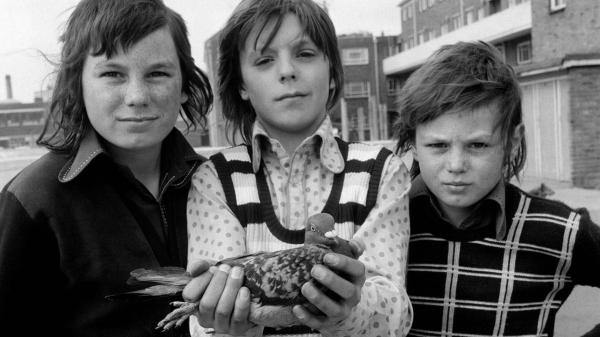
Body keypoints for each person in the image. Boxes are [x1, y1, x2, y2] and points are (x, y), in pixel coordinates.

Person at [182, 0, 413, 336]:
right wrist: (220, 320)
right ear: (242, 85)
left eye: (305, 54)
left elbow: (394, 317)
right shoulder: (214, 179)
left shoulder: (383, 172)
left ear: (332, 71)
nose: (287, 71)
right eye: (264, 60)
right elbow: (203, 326)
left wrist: (348, 310)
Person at [0, 0, 212, 336]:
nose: (137, 96)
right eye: (113, 74)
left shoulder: (218, 183)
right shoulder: (33, 200)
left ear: (185, 85)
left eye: (157, 73)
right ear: (78, 84)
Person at [394, 41, 600, 336]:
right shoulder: (386, 226)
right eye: (438, 145)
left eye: (477, 145)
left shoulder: (561, 231)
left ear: (512, 141)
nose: (456, 164)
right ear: (413, 143)